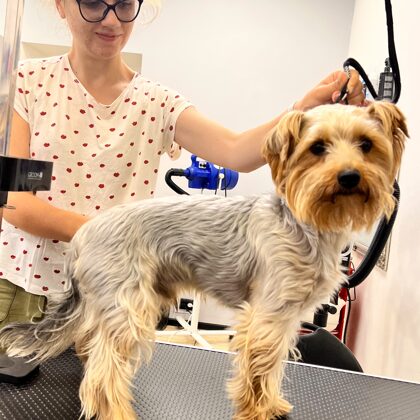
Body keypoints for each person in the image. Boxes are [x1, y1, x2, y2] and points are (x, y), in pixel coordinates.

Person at [0, 0, 366, 330]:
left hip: (118, 290)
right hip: (25, 288)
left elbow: (236, 150)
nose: (111, 20)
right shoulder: (26, 84)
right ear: (61, 5)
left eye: (124, 5)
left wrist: (303, 109)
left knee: (108, 384)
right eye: (93, 4)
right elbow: (15, 203)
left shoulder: (157, 102)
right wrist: (119, 238)